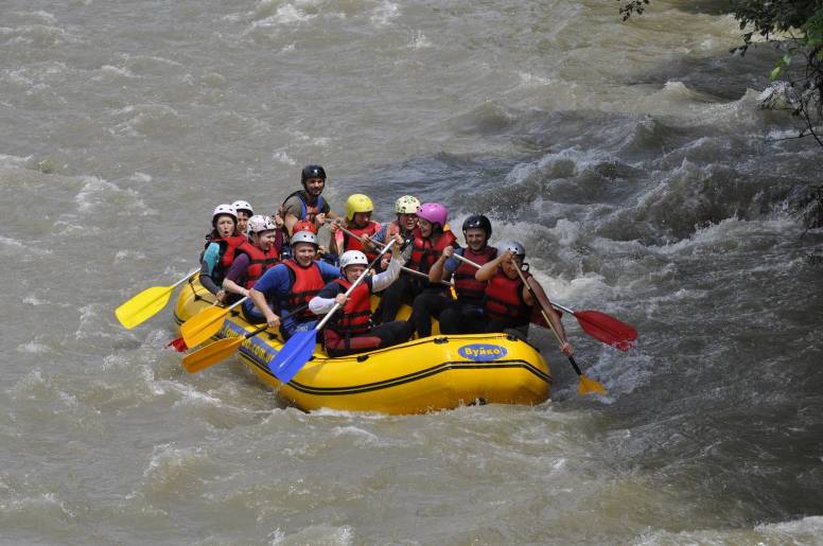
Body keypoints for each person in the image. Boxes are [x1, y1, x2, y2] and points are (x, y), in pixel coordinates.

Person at [309, 241, 412, 357]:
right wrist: (334, 302)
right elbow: (313, 305)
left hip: (362, 332)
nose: (359, 274)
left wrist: (396, 251)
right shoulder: (335, 287)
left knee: (403, 326)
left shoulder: (366, 283)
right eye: (354, 270)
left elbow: (390, 276)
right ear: (343, 271)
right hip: (339, 342)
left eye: (362, 270)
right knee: (386, 338)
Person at [474, 241, 573, 355]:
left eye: (517, 262)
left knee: (496, 325)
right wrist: (500, 258)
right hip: (489, 323)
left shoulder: (529, 285)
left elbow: (550, 313)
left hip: (513, 331)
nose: (513, 268)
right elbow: (478, 276)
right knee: (461, 315)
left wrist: (564, 342)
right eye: (508, 263)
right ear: (501, 262)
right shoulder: (494, 271)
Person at [377, 202, 458, 332]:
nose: (420, 226)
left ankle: (416, 333)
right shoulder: (416, 240)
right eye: (420, 222)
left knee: (422, 300)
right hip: (417, 284)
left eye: (424, 223)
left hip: (436, 290)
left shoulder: (452, 248)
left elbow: (449, 275)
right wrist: (396, 251)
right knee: (399, 283)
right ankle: (385, 323)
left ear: (436, 226)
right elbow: (400, 261)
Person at [248, 230, 341, 340]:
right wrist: (269, 315)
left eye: (310, 251)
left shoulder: (319, 266)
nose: (307, 255)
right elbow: (254, 292)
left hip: (315, 316)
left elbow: (344, 273)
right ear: (293, 251)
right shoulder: (280, 270)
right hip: (292, 325)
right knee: (332, 327)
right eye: (302, 251)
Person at [422, 214, 498, 335]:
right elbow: (434, 278)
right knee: (423, 299)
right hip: (461, 302)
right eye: (470, 236)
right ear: (466, 237)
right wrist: (442, 258)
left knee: (448, 315)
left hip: (482, 310)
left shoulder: (496, 256)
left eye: (478, 236)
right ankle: (423, 338)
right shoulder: (459, 254)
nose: (474, 240)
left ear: (487, 236)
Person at [222, 215, 282, 322]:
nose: (272, 240)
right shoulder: (244, 257)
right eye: (268, 237)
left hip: (270, 296)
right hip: (251, 302)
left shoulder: (271, 251)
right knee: (278, 309)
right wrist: (245, 292)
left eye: (273, 236)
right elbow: (226, 283)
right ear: (254, 236)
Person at [200, 204, 247, 303]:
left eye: (229, 223)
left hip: (244, 285)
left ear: (235, 225)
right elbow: (204, 276)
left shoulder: (244, 240)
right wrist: (217, 292)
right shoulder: (214, 247)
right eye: (222, 223)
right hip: (226, 290)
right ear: (216, 226)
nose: (226, 227)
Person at [330, 193, 382, 260]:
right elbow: (335, 254)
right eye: (362, 216)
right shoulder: (343, 230)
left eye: (368, 215)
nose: (366, 219)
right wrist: (332, 235)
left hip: (375, 264)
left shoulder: (376, 226)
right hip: (354, 266)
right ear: (352, 215)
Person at [372, 195, 420, 268]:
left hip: (407, 271)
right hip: (387, 267)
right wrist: (365, 240)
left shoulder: (421, 234)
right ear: (398, 216)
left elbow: (404, 259)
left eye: (414, 215)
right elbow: (371, 245)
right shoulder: (387, 228)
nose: (410, 219)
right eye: (406, 215)